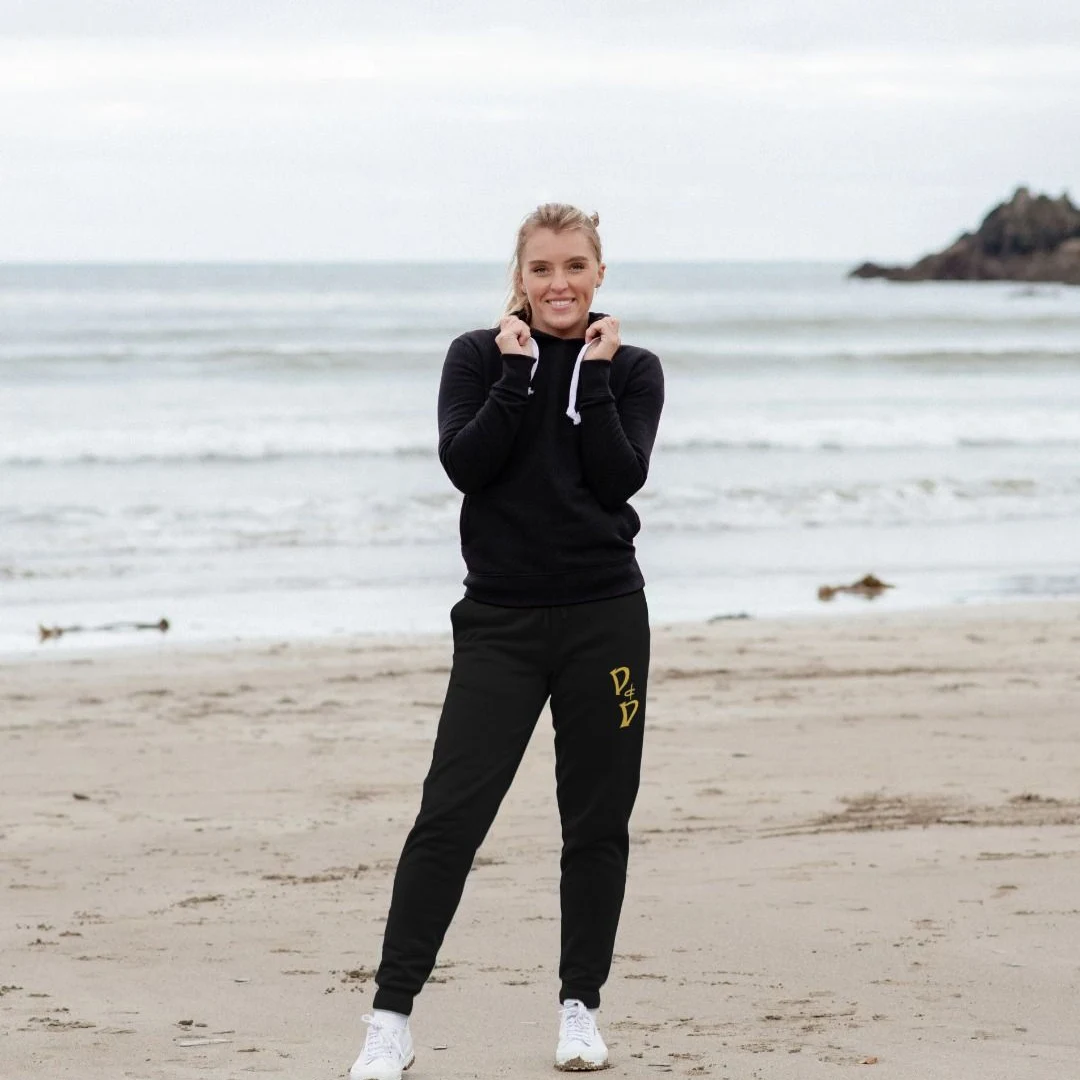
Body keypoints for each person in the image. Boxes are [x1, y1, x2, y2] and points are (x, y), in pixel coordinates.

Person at [349, 203, 665, 1079]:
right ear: (519, 278)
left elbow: (618, 477)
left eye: (575, 266)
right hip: (499, 624)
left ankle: (579, 1008)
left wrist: (591, 376)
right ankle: (390, 1020)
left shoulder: (634, 369)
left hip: (606, 620)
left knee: (596, 823)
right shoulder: (477, 357)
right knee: (449, 818)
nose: (559, 283)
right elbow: (467, 464)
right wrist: (518, 374)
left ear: (599, 274)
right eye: (541, 268)